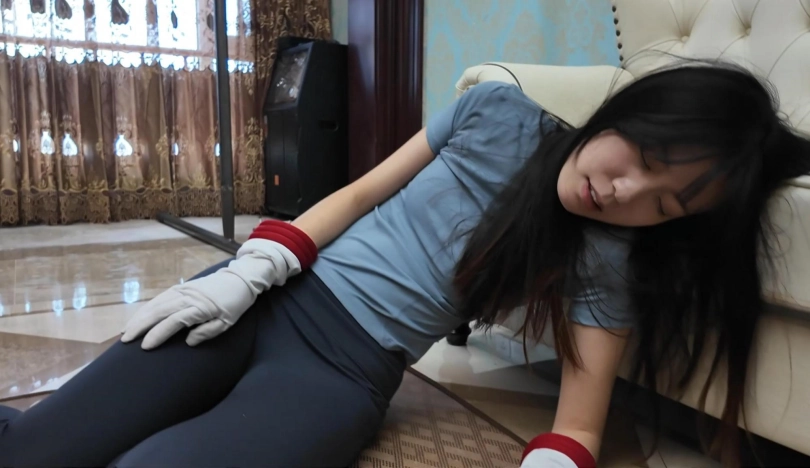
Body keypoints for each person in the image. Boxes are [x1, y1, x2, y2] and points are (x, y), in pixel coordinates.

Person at [1, 61, 809, 468]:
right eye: (647, 157)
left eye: (662, 206)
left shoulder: (608, 259)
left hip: (341, 377)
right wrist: (249, 270)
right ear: (631, 110)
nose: (624, 193)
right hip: (259, 299)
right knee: (37, 452)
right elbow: (359, 194)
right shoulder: (494, 111)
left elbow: (580, 422)